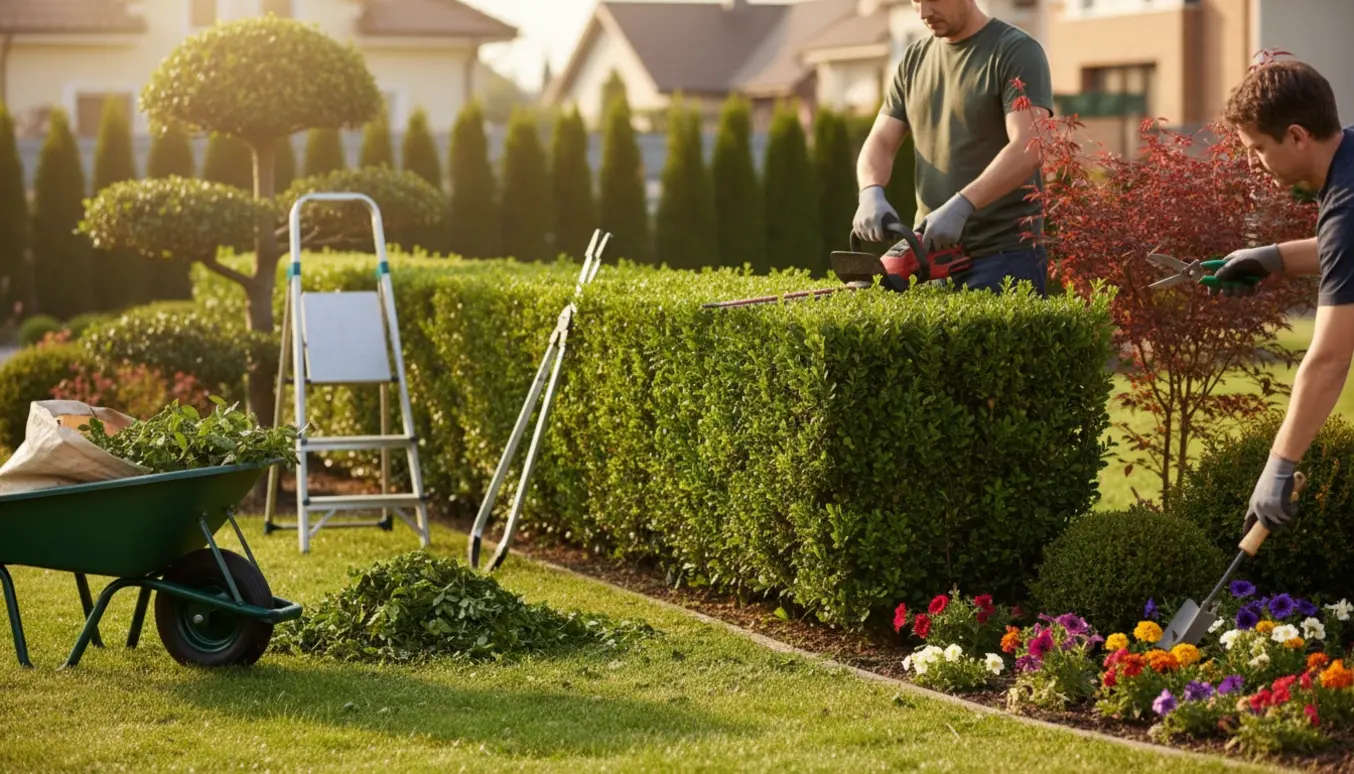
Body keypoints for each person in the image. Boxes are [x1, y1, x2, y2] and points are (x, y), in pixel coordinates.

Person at [1205, 60, 1354, 537]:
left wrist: (1280, 464)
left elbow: (1330, 358)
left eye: (1258, 148)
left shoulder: (1348, 205)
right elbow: (1341, 251)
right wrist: (1270, 258)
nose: (1253, 163)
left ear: (1296, 136)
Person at [853, 0, 1054, 295]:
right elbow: (880, 141)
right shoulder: (914, 60)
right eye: (916, 1)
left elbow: (1029, 147)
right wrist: (870, 191)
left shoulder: (1015, 51)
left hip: (1004, 257)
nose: (923, 12)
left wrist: (963, 205)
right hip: (930, 258)